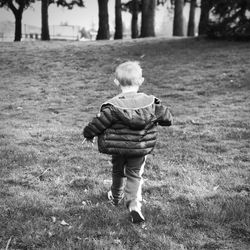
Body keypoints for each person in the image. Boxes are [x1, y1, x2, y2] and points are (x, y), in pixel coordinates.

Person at [83, 61, 173, 223]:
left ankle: (116, 197)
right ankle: (133, 205)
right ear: (141, 81)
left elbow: (99, 123)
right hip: (139, 148)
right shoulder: (150, 103)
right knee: (134, 174)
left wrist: (88, 134)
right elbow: (167, 118)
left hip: (118, 149)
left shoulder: (113, 105)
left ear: (116, 82)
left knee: (118, 171)